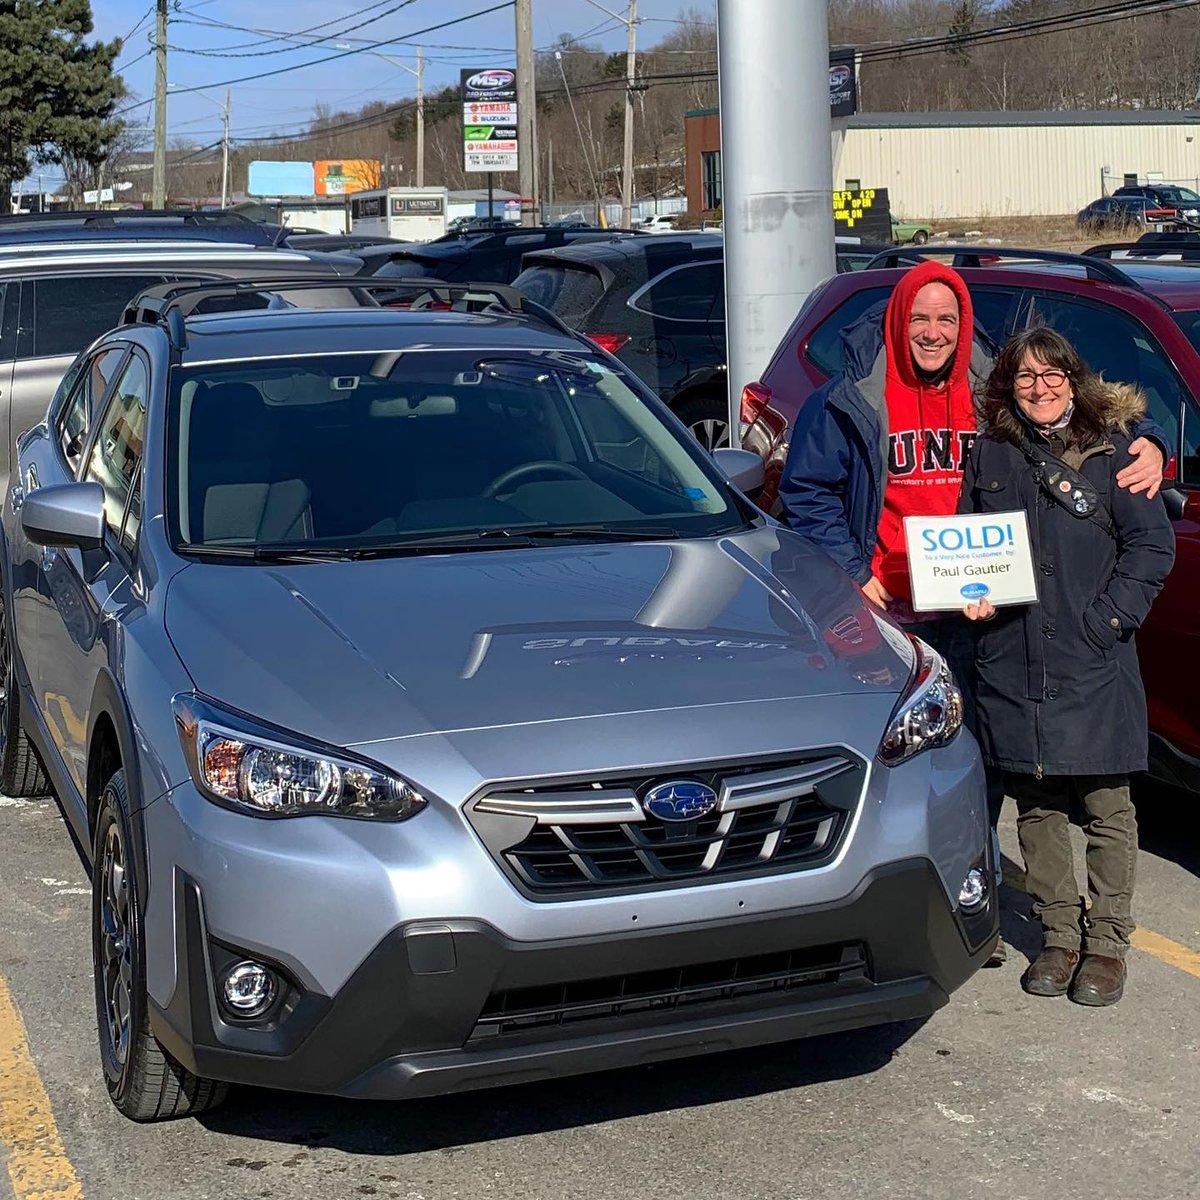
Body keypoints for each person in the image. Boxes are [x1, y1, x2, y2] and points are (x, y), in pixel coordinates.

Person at [777, 261, 1165, 963]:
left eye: (947, 319)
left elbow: (1088, 424)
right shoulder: (852, 399)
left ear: (963, 328)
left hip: (983, 611)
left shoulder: (994, 393)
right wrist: (855, 574)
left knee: (979, 767)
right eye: (919, 318)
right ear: (898, 321)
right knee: (898, 765)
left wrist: (1153, 446)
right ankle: (892, 905)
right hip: (889, 614)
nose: (933, 332)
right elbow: (807, 496)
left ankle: (971, 906)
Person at [960, 327, 1175, 1005]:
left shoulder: (1117, 452)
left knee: (1108, 805)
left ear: (1073, 379)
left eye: (1052, 375)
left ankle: (1107, 944)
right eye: (1026, 377)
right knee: (1038, 803)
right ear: (1009, 386)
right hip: (1014, 657)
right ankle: (1059, 938)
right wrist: (974, 597)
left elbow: (1151, 548)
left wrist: (1106, 620)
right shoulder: (992, 452)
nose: (1040, 388)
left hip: (1093, 656)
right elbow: (970, 544)